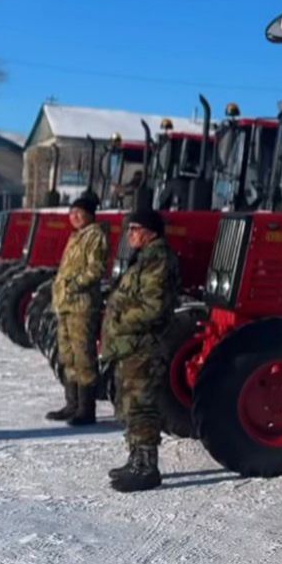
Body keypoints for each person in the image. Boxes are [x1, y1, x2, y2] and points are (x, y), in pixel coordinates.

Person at [100, 208, 179, 492]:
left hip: (145, 346)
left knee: (142, 407)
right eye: (129, 229)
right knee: (130, 405)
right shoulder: (145, 258)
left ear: (150, 232)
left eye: (135, 229)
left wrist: (119, 321)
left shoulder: (158, 260)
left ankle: (147, 468)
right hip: (131, 346)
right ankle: (135, 459)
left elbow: (153, 307)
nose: (130, 234)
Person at [48, 192, 108, 426]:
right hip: (65, 304)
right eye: (71, 213)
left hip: (81, 304)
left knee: (83, 355)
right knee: (67, 354)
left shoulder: (95, 236)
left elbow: (96, 268)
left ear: (89, 215)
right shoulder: (77, 236)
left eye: (78, 213)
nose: (73, 217)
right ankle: (71, 403)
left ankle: (86, 409)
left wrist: (75, 285)